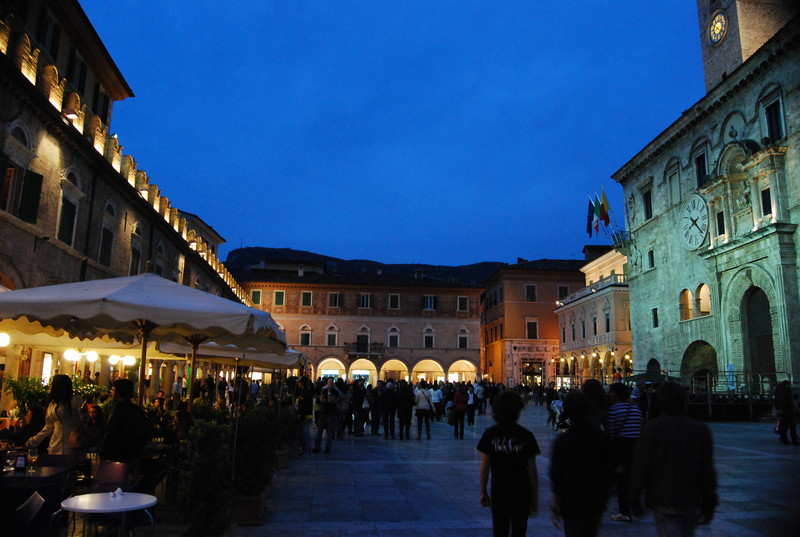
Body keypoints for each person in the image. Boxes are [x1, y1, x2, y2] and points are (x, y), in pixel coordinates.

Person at [631, 382, 717, 536]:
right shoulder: (700, 429)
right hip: (691, 498)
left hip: (664, 497)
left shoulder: (652, 428)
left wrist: (635, 494)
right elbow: (707, 471)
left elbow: (642, 465)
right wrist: (710, 501)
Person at [549, 391, 613, 537]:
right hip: (595, 500)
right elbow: (608, 469)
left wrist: (555, 505)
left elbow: (557, 475)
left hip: (570, 502)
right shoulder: (601, 438)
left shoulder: (563, 441)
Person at [477, 391, 539, 537]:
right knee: (519, 530)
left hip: (499, 491)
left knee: (500, 529)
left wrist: (483, 492)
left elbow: (485, 468)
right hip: (522, 491)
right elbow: (532, 470)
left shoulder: (490, 434)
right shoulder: (526, 435)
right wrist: (534, 497)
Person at [606, 382, 643, 523]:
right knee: (631, 479)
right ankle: (636, 505)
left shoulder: (613, 410)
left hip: (621, 448)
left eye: (611, 392)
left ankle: (624, 512)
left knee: (621, 481)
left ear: (615, 394)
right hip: (635, 448)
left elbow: (611, 433)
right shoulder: (636, 410)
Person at [26, 374, 84, 455]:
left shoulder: (75, 400)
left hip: (72, 441)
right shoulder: (52, 404)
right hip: (55, 443)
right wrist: (34, 441)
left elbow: (83, 420)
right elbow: (49, 426)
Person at [100, 379, 148, 466]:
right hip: (134, 453)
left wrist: (104, 451)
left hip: (118, 453)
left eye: (113, 390)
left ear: (118, 394)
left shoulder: (118, 410)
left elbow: (111, 432)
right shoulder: (137, 410)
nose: (111, 393)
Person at [313, 378, 341, 454]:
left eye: (332, 382)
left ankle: (328, 448)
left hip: (332, 414)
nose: (331, 383)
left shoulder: (335, 391)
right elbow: (322, 399)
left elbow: (331, 400)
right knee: (319, 431)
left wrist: (328, 394)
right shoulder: (323, 390)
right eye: (329, 382)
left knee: (330, 433)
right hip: (323, 413)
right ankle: (317, 447)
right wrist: (329, 400)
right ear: (327, 383)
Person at [773, 380, 798, 445]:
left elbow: (776, 401)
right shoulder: (787, 391)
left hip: (781, 411)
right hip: (787, 411)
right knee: (792, 426)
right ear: (787, 385)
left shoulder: (777, 391)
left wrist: (778, 409)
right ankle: (794, 440)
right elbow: (788, 401)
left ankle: (784, 439)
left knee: (783, 426)